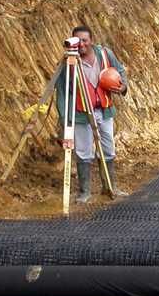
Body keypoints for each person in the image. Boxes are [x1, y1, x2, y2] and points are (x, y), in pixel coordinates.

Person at [55, 25, 129, 204]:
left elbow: (120, 71)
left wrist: (123, 86)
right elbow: (62, 91)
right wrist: (65, 118)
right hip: (81, 114)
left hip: (103, 110)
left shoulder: (104, 55)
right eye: (77, 41)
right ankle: (84, 191)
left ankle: (110, 186)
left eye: (85, 41)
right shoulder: (69, 63)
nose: (81, 45)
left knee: (108, 149)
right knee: (83, 152)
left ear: (91, 41)